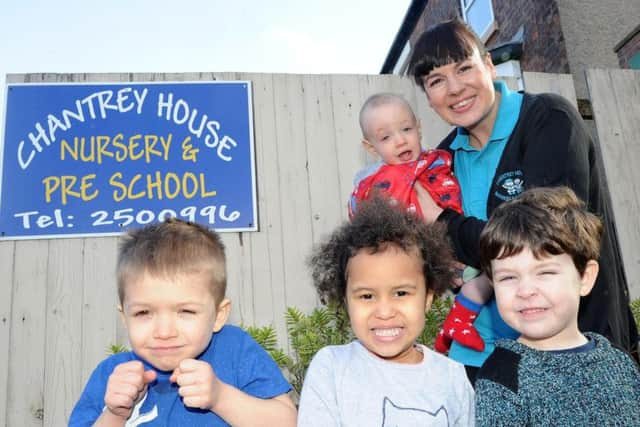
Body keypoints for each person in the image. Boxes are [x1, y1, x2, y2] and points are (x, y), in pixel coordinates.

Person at [407, 18, 639, 382]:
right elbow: (435, 259)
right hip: (478, 356)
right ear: (428, 97)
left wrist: (443, 223)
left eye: (464, 68)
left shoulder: (548, 120)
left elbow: (543, 243)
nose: (454, 89)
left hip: (573, 353)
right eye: (436, 81)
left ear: (488, 63)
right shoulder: (440, 161)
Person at [69, 218, 296, 426]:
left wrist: (221, 397)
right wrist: (115, 414)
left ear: (219, 315)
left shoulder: (236, 351)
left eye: (185, 311)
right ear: (125, 318)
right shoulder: (111, 374)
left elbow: (287, 422)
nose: (164, 331)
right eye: (143, 313)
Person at [297, 197, 474, 426]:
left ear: (428, 298)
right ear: (346, 301)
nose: (384, 312)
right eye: (366, 296)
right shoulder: (331, 368)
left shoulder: (453, 378)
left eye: (401, 293)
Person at [474, 186, 640, 425]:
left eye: (545, 272)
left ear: (585, 277)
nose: (526, 291)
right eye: (508, 277)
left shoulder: (620, 362)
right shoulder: (502, 378)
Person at [350, 92, 492, 353]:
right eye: (386, 137)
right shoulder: (378, 182)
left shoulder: (435, 159)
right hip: (425, 251)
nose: (400, 140)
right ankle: (453, 325)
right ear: (371, 148)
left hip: (454, 237)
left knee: (490, 275)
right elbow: (367, 223)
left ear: (419, 127)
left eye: (406, 129)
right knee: (490, 274)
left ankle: (454, 326)